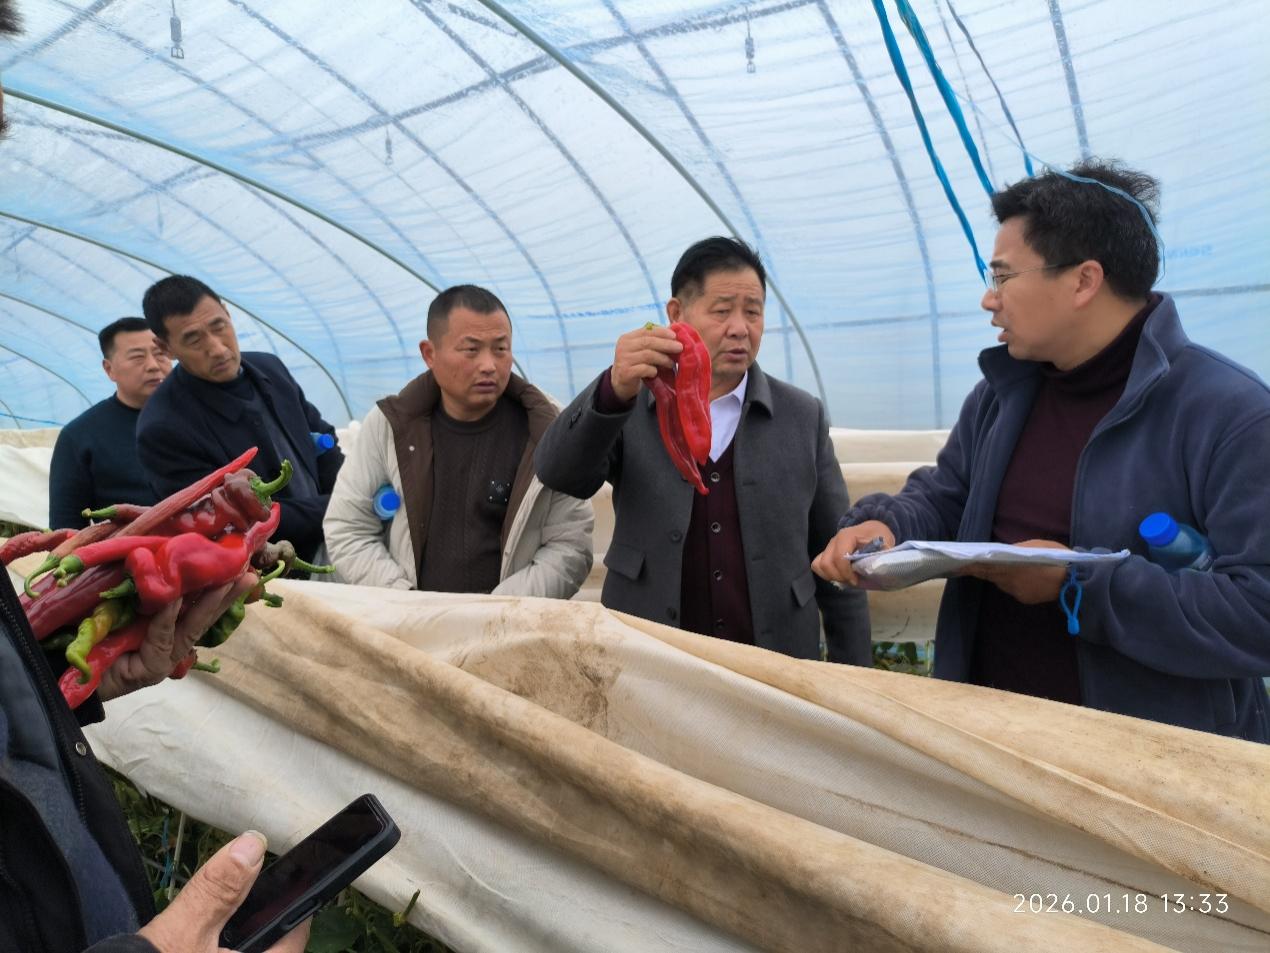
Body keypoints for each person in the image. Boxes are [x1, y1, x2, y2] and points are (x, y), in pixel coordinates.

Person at [1, 6, 305, 949]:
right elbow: (73, 535)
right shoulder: (137, 428)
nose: (211, 347)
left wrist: (73, 681)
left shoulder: (270, 375)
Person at [814, 160, 1270, 742]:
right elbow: (949, 495)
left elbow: (1258, 611)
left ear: (1083, 281)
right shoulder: (1002, 395)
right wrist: (887, 524)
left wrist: (1075, 584)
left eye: (1003, 276)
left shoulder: (1228, 413)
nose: (989, 299)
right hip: (996, 739)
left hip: (1149, 763)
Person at [535, 237, 870, 663]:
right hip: (650, 659)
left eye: (753, 312)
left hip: (775, 662)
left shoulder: (801, 416)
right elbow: (559, 472)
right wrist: (611, 390)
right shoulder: (631, 402)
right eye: (722, 310)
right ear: (677, 314)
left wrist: (856, 673)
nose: (740, 328)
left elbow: (837, 554)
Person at [324, 285, 593, 596]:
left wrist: (499, 611)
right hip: (410, 619)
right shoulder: (391, 426)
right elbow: (348, 528)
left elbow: (570, 544)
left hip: (510, 621)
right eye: (471, 350)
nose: (489, 365)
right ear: (430, 354)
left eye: (500, 349)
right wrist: (403, 599)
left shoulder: (548, 428)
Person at [137, 275, 343, 563]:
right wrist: (342, 509)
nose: (218, 349)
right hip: (276, 570)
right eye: (193, 339)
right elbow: (234, 521)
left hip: (340, 535)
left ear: (227, 313)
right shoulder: (164, 428)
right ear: (166, 347)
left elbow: (324, 442)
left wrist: (353, 501)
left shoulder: (270, 368)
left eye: (218, 327)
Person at [48, 318, 172, 530]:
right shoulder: (79, 435)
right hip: (130, 549)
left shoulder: (198, 414)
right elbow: (66, 525)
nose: (153, 365)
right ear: (109, 369)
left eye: (160, 354)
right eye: (137, 357)